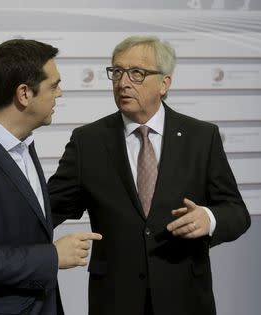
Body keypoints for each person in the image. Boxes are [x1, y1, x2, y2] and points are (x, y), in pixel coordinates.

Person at [47, 35, 251, 315]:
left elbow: (237, 212)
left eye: (137, 73)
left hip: (185, 298)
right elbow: (46, 210)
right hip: (116, 301)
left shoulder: (202, 137)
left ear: (165, 83)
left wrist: (210, 218)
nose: (123, 83)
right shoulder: (88, 142)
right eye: (117, 72)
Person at [0, 39, 102, 315]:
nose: (59, 94)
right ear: (24, 94)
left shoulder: (21, 142)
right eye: (53, 85)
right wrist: (53, 256)